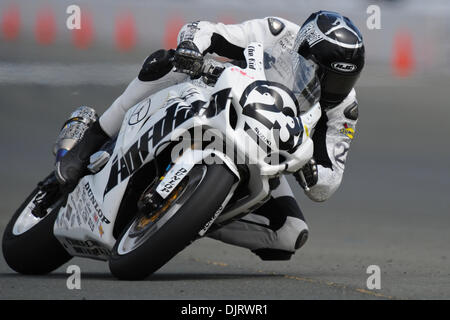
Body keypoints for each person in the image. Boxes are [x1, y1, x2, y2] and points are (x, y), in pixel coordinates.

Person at [55, 10, 365, 260]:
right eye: (329, 75)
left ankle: (188, 220)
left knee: (290, 233)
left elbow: (330, 180)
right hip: (218, 99)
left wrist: (311, 173)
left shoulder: (344, 110)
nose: (333, 87)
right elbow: (204, 30)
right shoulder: (278, 33)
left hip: (265, 154)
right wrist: (193, 47)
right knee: (169, 62)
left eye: (344, 79)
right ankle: (91, 139)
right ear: (304, 51)